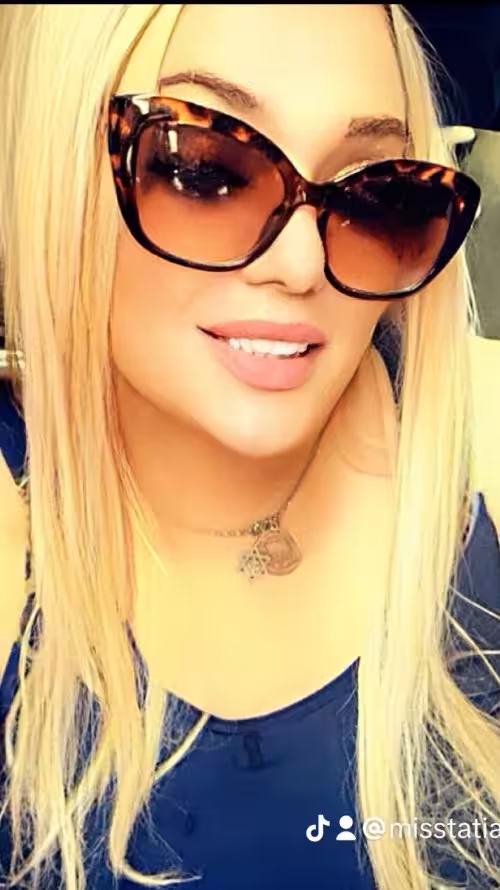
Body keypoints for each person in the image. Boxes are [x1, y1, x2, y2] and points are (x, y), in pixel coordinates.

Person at [0, 4, 499, 889]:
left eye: (375, 193)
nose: (301, 265)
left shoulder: (481, 444)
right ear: (52, 166)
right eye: (203, 170)